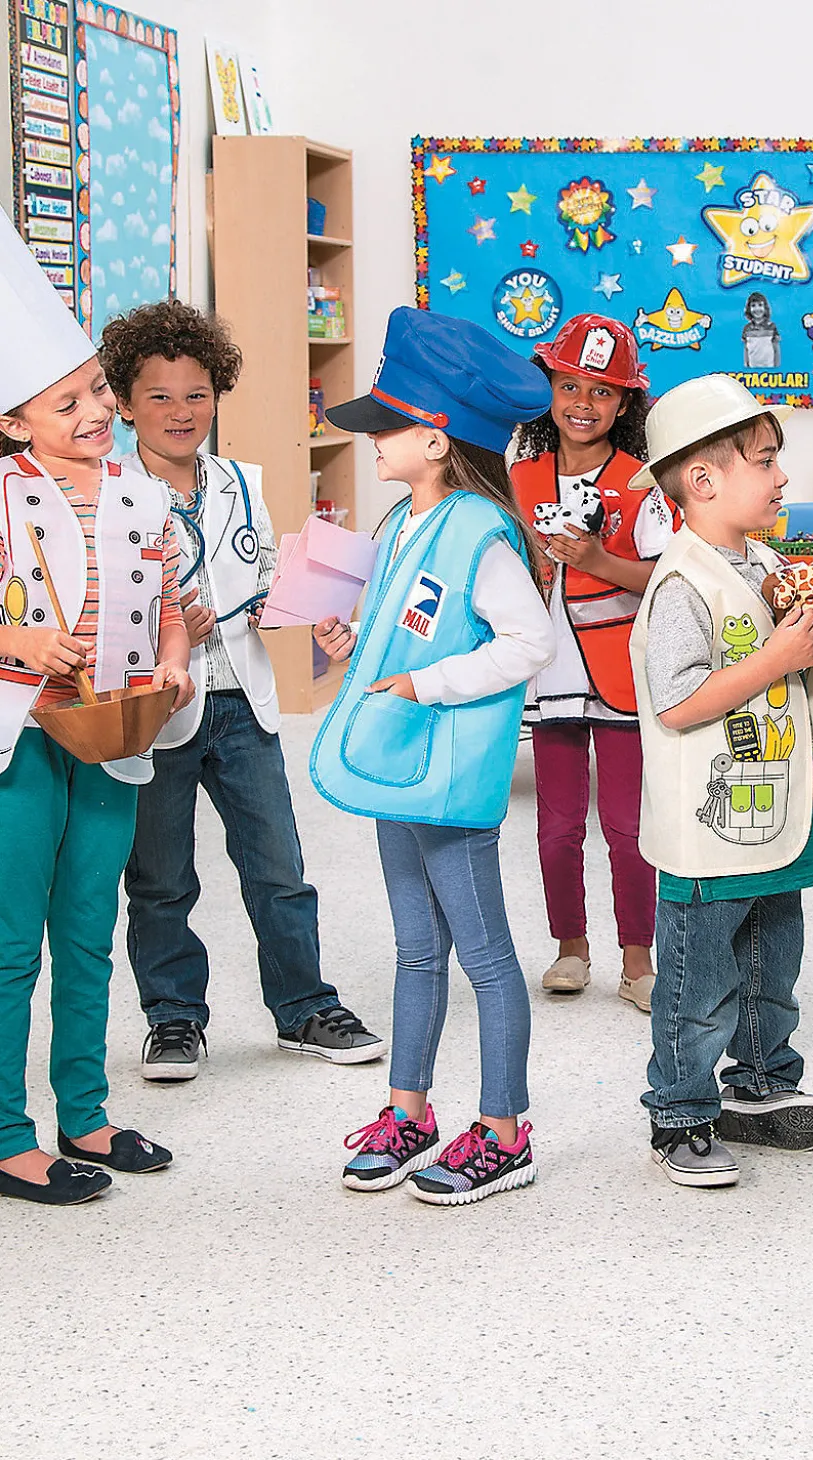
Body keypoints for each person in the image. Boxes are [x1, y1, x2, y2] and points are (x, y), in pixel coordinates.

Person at [98, 301, 384, 1080]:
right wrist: (163, 625)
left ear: (217, 394)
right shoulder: (110, 496)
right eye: (158, 397)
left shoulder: (238, 483)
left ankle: (305, 1008)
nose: (180, 412)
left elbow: (260, 575)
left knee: (278, 866)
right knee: (159, 879)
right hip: (160, 710)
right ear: (124, 405)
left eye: (196, 394)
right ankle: (174, 1018)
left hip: (243, 705)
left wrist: (291, 607)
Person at [312, 307, 554, 1205]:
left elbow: (528, 644)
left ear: (439, 440)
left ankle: (504, 1131)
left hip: (446, 774)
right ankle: (407, 1111)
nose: (373, 440)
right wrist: (358, 651)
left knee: (485, 955)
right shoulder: (399, 528)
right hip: (397, 767)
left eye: (388, 427)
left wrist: (427, 685)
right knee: (417, 951)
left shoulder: (481, 533)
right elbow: (405, 636)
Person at [0, 213, 191, 1204]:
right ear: (12, 422)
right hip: (22, 740)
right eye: (66, 399)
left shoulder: (141, 496)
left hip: (114, 730)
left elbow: (166, 603)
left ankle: (84, 1108)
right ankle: (3, 1130)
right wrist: (21, 644)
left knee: (86, 928)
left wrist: (170, 660)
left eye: (95, 392)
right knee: (6, 939)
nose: (97, 409)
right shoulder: (0, 496)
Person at [628, 374, 813, 1188]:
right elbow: (681, 701)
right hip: (712, 822)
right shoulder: (681, 584)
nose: (782, 476)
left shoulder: (761, 562)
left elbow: (791, 674)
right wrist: (777, 658)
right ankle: (680, 1112)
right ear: (702, 481)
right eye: (765, 461)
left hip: (778, 811)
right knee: (700, 978)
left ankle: (760, 1083)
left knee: (770, 960)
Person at [511, 313, 672, 1011]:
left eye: (602, 392)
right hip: (549, 672)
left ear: (626, 403)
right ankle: (569, 947)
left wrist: (600, 560)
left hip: (619, 674)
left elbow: (668, 578)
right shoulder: (517, 475)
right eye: (570, 385)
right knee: (555, 826)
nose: (583, 403)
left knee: (629, 828)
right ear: (548, 387)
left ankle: (638, 960)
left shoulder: (643, 481)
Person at [741, 292, 780, 370]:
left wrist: (777, 366)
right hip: (753, 367)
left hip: (769, 367)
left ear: (765, 308)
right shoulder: (747, 328)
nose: (757, 309)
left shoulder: (771, 326)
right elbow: (746, 348)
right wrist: (746, 365)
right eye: (753, 306)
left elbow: (776, 347)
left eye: (760, 305)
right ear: (749, 309)